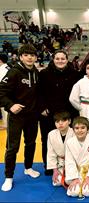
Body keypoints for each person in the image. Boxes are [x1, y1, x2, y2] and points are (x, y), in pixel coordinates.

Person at [0, 44, 40, 192]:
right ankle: (8, 177)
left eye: (32, 55)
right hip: (16, 117)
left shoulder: (36, 72)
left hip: (32, 116)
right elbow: (1, 92)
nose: (30, 57)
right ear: (21, 57)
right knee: (12, 147)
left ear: (36, 57)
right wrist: (10, 105)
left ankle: (28, 168)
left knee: (30, 143)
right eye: (26, 55)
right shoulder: (13, 72)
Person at [39, 50, 80, 175]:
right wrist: (42, 107)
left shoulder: (75, 74)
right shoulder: (44, 73)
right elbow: (38, 92)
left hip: (69, 112)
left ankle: (72, 164)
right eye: (57, 58)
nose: (60, 61)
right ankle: (49, 165)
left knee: (72, 139)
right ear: (53, 59)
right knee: (47, 139)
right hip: (49, 113)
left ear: (67, 60)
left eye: (63, 59)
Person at [65, 116, 89, 197]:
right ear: (73, 130)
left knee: (88, 192)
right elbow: (69, 161)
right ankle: (76, 181)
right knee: (73, 192)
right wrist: (74, 178)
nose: (80, 130)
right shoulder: (70, 142)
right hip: (76, 171)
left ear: (87, 129)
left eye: (83, 128)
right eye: (77, 128)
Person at [47, 111, 75, 187]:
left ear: (69, 121)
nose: (60, 123)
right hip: (61, 164)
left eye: (63, 120)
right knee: (56, 183)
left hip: (74, 163)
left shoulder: (75, 132)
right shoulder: (51, 134)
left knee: (69, 181)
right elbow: (51, 153)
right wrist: (55, 170)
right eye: (57, 121)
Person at [0, 53, 10, 129]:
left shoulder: (2, 69)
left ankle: (6, 124)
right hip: (9, 91)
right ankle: (6, 124)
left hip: (5, 92)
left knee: (4, 108)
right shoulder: (8, 67)